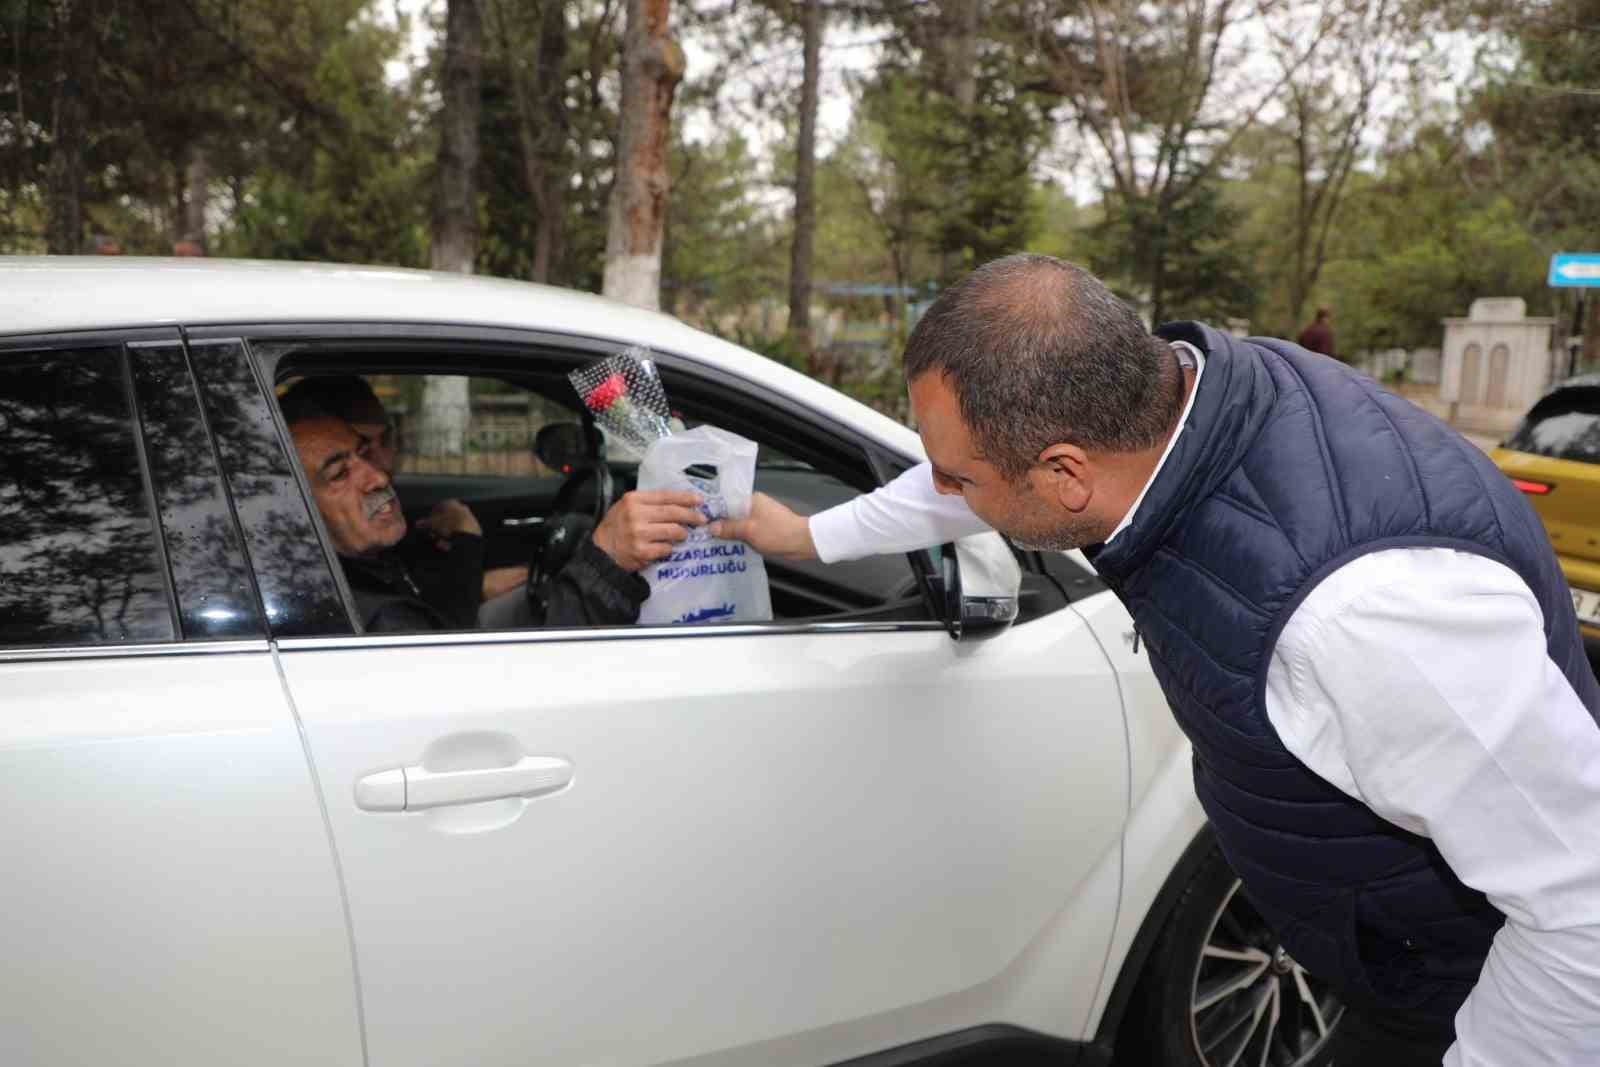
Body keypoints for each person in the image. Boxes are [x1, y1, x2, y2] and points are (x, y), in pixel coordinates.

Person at [714, 255, 1600, 1065]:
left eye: (960, 479)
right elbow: (966, 477)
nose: (944, 492)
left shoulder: (1362, 620)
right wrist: (805, 533)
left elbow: (1582, 908)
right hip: (1387, 957)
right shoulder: (1182, 400)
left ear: (1066, 475)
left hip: (1482, 1002)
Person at [286, 407, 704, 632]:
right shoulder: (377, 621)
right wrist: (604, 563)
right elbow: (530, 691)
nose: (377, 476)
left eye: (366, 453)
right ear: (297, 508)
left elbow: (444, 604)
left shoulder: (358, 569)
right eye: (340, 473)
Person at [278, 375, 527, 601]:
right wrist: (468, 551)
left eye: (385, 441)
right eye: (341, 471)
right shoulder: (321, 583)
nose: (382, 471)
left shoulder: (382, 545)